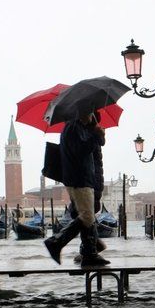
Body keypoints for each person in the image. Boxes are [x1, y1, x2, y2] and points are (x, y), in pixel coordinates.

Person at [43, 109, 108, 266]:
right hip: (79, 178)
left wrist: (96, 135)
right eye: (89, 113)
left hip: (82, 178)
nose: (91, 116)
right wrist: (96, 135)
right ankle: (56, 242)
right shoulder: (73, 128)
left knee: (87, 215)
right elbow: (81, 151)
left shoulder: (76, 127)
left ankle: (89, 253)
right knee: (86, 216)